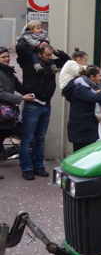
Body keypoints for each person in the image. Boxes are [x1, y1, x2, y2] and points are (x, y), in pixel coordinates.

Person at [19, 43, 69, 180]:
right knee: (28, 138)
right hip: (33, 104)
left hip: (46, 105)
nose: (49, 57)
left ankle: (38, 166)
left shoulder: (51, 63)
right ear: (39, 54)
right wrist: (36, 47)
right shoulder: (30, 63)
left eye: (50, 55)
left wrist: (56, 51)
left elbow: (67, 61)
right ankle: (27, 168)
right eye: (46, 55)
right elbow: (21, 49)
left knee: (40, 138)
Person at [64, 66, 101, 151]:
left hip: (87, 128)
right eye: (100, 76)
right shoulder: (81, 88)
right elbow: (96, 98)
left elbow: (96, 96)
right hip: (82, 130)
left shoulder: (89, 87)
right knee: (81, 155)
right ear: (92, 77)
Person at [0, 47, 35, 176]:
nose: (7, 59)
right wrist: (21, 98)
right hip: (3, 114)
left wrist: (34, 92)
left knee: (23, 136)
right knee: (23, 135)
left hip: (7, 115)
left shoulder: (8, 72)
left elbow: (21, 87)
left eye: (7, 56)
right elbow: (1, 93)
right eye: (3, 57)